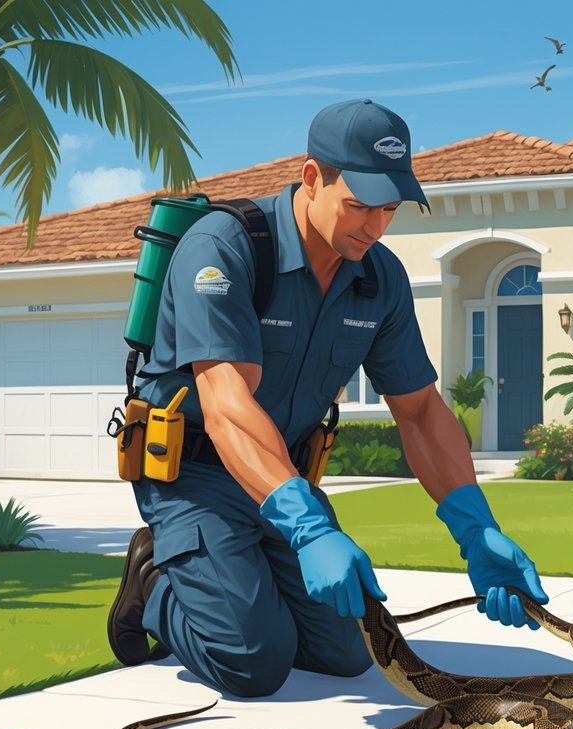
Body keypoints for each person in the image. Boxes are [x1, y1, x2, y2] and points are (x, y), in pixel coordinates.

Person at [107, 98, 549, 698]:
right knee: (253, 661)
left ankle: (239, 583)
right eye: (360, 205)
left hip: (284, 476)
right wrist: (311, 530)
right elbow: (226, 403)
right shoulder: (224, 248)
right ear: (312, 178)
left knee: (351, 651)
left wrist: (476, 528)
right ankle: (155, 580)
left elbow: (420, 411)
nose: (375, 226)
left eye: (389, 208)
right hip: (194, 477)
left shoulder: (380, 279)